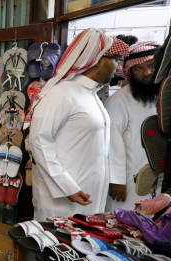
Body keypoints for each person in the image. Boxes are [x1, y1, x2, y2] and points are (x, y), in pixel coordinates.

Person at [27, 28, 129, 221]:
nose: (118, 68)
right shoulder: (62, 93)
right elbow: (39, 140)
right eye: (116, 60)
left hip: (89, 196)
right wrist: (67, 186)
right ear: (98, 59)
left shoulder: (90, 94)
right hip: (63, 200)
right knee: (55, 247)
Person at [106, 39, 161, 211]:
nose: (147, 72)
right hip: (128, 182)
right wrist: (116, 181)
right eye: (139, 68)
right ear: (130, 71)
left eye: (152, 64)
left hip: (159, 179)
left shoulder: (163, 94)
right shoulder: (120, 99)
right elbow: (111, 143)